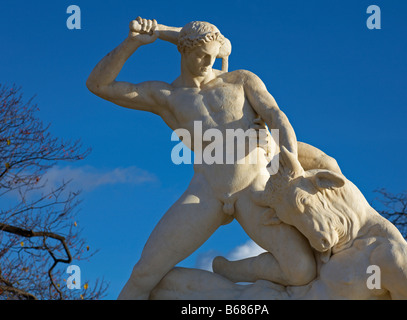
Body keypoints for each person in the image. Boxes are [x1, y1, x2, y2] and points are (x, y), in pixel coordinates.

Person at [87, 18, 333, 299]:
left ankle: (231, 271)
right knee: (144, 274)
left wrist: (294, 166)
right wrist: (133, 43)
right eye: (201, 55)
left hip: (253, 188)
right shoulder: (167, 96)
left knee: (301, 270)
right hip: (206, 192)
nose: (207, 62)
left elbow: (277, 116)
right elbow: (99, 85)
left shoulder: (240, 80)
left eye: (213, 56)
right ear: (183, 51)